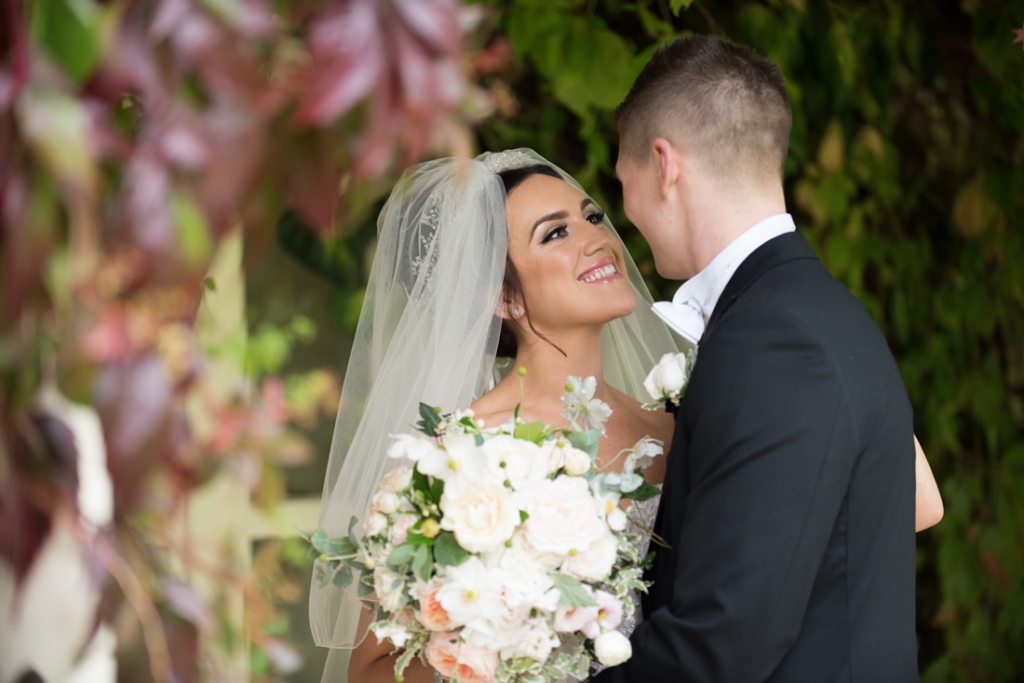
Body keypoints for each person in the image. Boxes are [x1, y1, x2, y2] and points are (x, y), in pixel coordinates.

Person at [312, 148, 941, 682]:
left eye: (592, 215)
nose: (597, 239)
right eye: (555, 233)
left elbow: (916, 501)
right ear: (503, 296)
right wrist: (502, 636)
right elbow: (370, 669)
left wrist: (813, 339)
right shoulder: (456, 462)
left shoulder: (682, 419)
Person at [594, 35, 932, 682]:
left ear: (664, 164)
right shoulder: (824, 310)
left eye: (621, 179)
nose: (625, 208)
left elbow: (721, 642)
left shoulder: (774, 338)